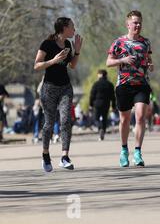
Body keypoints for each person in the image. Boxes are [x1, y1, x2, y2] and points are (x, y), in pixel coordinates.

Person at [34, 17, 83, 172]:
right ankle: (46, 155)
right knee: (48, 124)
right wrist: (53, 61)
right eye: (72, 27)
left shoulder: (68, 44)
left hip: (65, 87)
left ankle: (64, 157)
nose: (74, 30)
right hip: (49, 88)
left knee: (66, 120)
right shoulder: (47, 44)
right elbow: (37, 65)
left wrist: (77, 51)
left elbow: (72, 66)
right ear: (63, 28)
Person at [106, 10, 153, 167]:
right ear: (128, 24)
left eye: (140, 22)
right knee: (124, 119)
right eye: (135, 22)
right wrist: (123, 59)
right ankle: (124, 150)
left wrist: (150, 65)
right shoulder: (118, 42)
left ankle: (138, 152)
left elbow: (149, 60)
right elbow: (108, 62)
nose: (138, 25)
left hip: (141, 85)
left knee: (140, 116)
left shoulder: (146, 43)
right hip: (124, 85)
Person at [89, 69, 116, 141]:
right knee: (104, 119)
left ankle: (100, 128)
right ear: (106, 75)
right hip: (106, 104)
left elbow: (92, 95)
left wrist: (90, 104)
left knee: (96, 118)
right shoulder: (110, 84)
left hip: (97, 104)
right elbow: (113, 96)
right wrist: (113, 106)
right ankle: (103, 131)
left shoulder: (96, 84)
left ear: (100, 75)